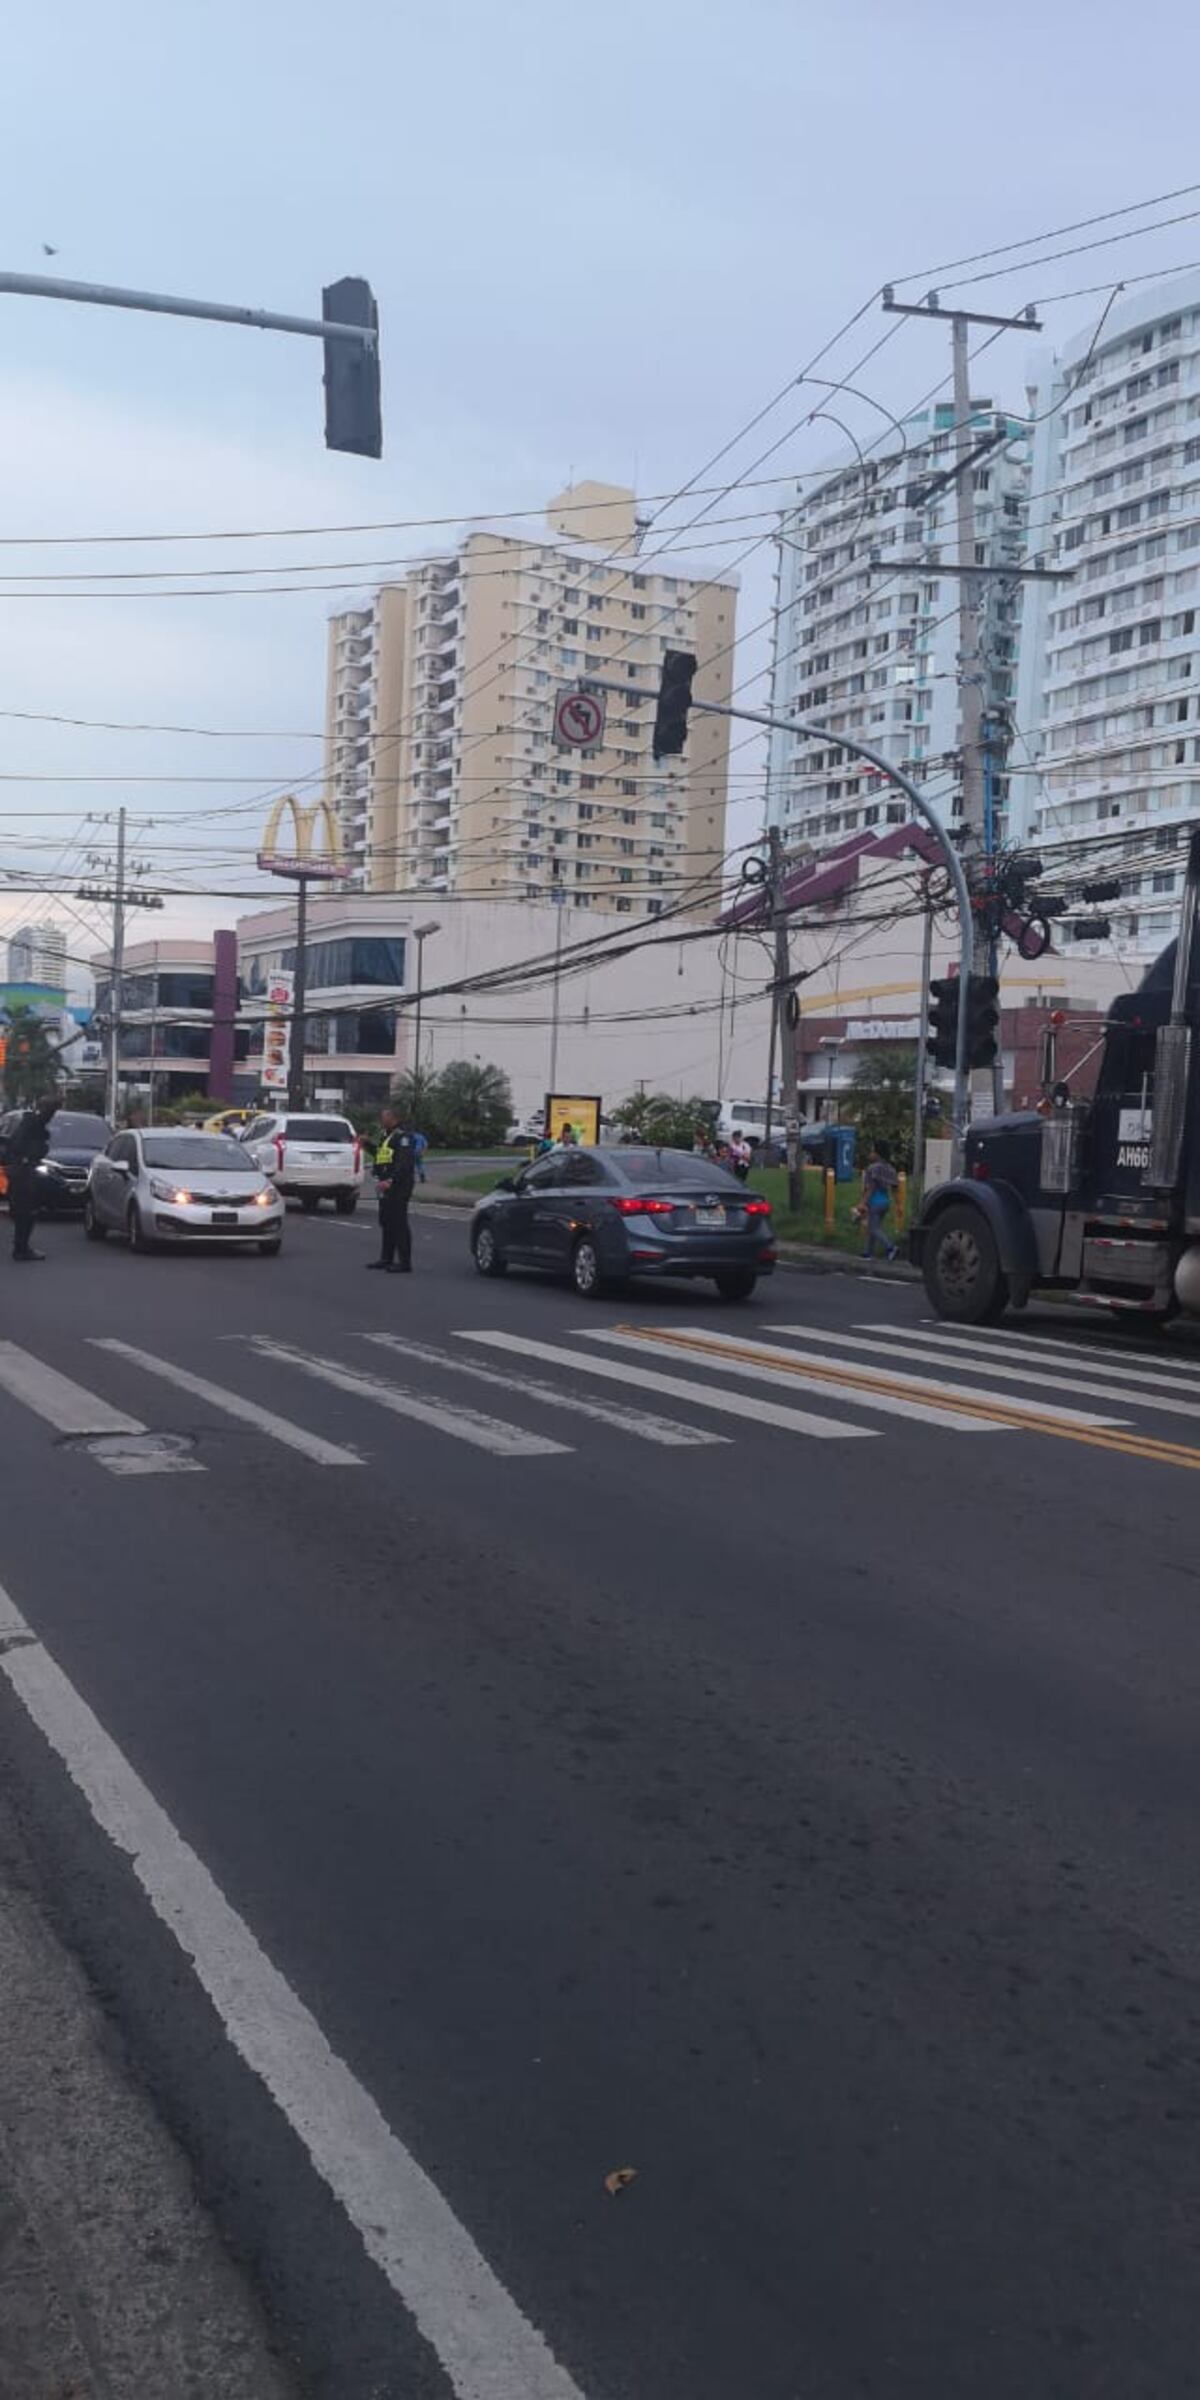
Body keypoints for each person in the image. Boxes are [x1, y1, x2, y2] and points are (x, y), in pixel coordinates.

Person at [7, 1096, 58, 1263]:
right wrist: (29, 1157)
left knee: (28, 1212)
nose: (51, 1116)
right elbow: (19, 1147)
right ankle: (21, 1249)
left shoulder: (34, 1125)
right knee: (25, 1212)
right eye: (50, 1111)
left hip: (25, 1171)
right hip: (23, 1173)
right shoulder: (31, 1125)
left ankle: (22, 1247)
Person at [367, 1107, 415, 1274]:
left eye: (384, 1117)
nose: (381, 1120)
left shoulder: (403, 1136)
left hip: (398, 1186)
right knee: (386, 1221)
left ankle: (404, 1262)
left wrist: (391, 1180)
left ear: (393, 1118)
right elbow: (382, 1155)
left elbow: (404, 1162)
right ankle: (386, 1258)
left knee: (399, 1222)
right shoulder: (386, 1136)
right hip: (384, 1185)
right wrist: (367, 1144)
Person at [860, 1138, 899, 1262]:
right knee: (874, 1226)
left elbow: (870, 1189)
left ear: (878, 1154)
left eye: (872, 1151)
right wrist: (898, 1205)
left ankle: (890, 1247)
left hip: (875, 1201)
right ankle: (868, 1252)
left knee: (873, 1228)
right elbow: (895, 1189)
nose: (870, 1154)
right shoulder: (891, 1169)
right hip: (885, 1201)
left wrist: (862, 1203)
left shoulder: (872, 1169)